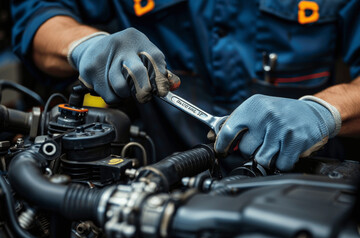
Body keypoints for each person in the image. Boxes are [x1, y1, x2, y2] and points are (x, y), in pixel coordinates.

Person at [11, 0, 360, 171]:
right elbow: (40, 14)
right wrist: (85, 44)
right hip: (151, 175)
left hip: (304, 182)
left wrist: (325, 111)